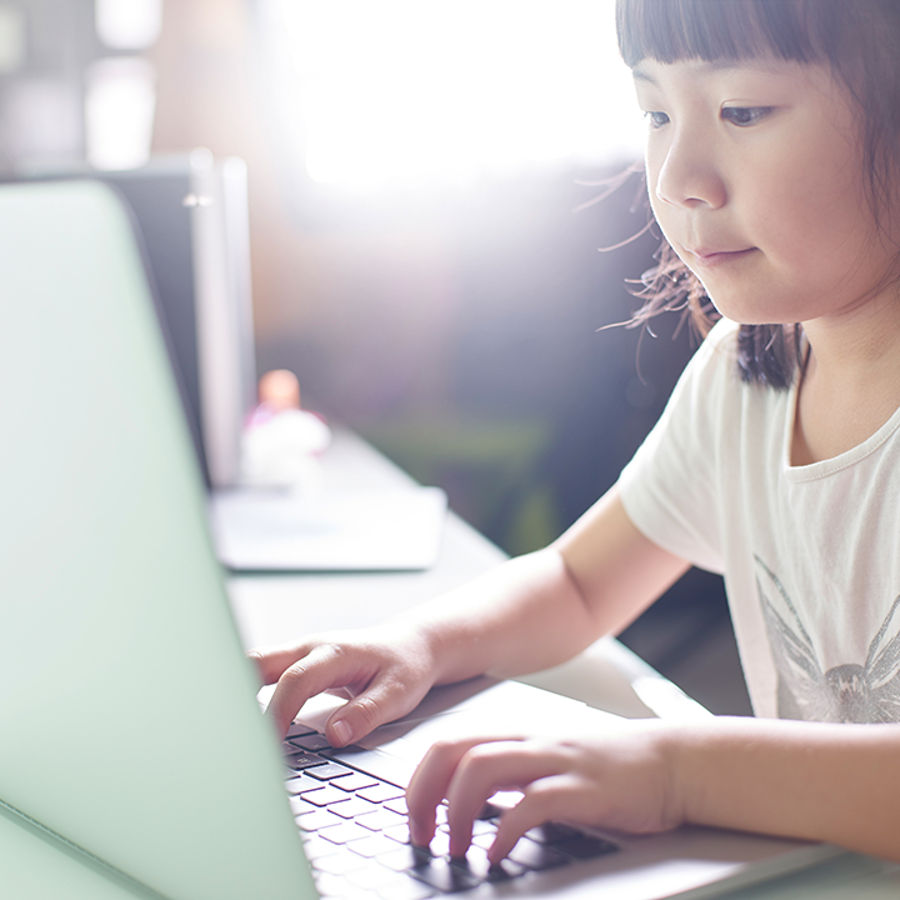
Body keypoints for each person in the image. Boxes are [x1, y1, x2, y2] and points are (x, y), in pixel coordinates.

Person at [250, 0, 900, 866]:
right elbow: (579, 582)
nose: (677, 175)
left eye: (743, 110)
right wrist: (422, 644)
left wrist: (677, 770)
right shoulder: (743, 378)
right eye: (657, 113)